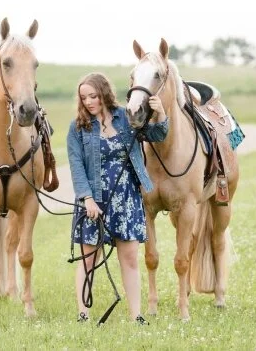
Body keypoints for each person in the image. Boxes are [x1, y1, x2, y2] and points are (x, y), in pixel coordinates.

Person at [67, 73, 168, 325]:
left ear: (104, 93)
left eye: (93, 96)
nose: (89, 102)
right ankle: (83, 313)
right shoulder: (78, 127)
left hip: (126, 198)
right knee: (88, 258)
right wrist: (87, 199)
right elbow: (76, 165)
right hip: (94, 201)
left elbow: (157, 135)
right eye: (84, 98)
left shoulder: (126, 117)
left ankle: (136, 316)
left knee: (131, 258)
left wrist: (161, 114)